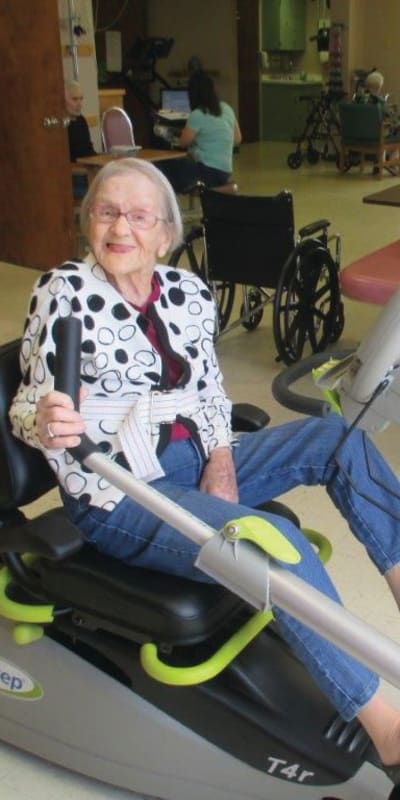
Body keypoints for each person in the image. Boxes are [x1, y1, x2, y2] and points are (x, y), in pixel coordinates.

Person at [8, 157, 400, 784]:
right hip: (119, 489)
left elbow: (211, 391)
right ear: (88, 222)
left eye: (139, 216)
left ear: (165, 232)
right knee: (274, 546)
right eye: (107, 212)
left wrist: (222, 461)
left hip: (196, 460)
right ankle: (387, 729)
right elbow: (28, 404)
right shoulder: (64, 292)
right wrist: (44, 420)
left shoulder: (188, 293)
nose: (121, 229)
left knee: (337, 440)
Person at [156, 70, 242, 193]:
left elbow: (183, 143)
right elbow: (237, 139)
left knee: (162, 165)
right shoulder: (227, 108)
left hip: (206, 173)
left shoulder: (198, 114)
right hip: (224, 173)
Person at [64, 80, 97, 199]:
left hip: (90, 168)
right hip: (74, 176)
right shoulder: (60, 125)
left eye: (81, 99)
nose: (79, 104)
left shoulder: (81, 120)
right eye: (74, 99)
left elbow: (88, 149)